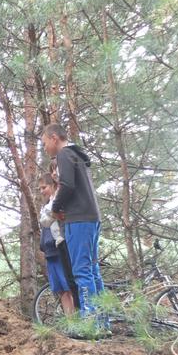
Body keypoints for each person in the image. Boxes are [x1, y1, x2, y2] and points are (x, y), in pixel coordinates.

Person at [41, 124, 105, 320]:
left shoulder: (64, 155)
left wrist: (54, 209)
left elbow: (67, 186)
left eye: (44, 144)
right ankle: (102, 322)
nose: (45, 148)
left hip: (78, 220)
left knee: (81, 271)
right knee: (93, 271)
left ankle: (90, 323)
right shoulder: (77, 156)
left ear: (54, 138)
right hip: (91, 218)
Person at [39, 173, 75, 314]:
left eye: (44, 187)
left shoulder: (59, 202)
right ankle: (70, 322)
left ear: (53, 185)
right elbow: (44, 221)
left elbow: (53, 219)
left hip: (60, 248)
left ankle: (77, 320)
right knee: (60, 290)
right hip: (49, 252)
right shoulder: (46, 206)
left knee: (68, 288)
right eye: (40, 189)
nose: (42, 191)